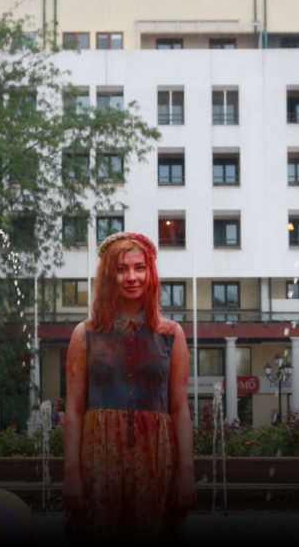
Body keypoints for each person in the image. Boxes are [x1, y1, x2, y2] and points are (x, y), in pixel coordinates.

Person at [63, 231, 196, 541]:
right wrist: (71, 474)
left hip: (156, 456)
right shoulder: (85, 334)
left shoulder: (171, 334)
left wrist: (186, 472)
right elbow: (74, 410)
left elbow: (179, 409)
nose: (131, 277)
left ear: (151, 273)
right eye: (121, 269)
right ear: (108, 276)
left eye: (139, 268)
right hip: (98, 455)